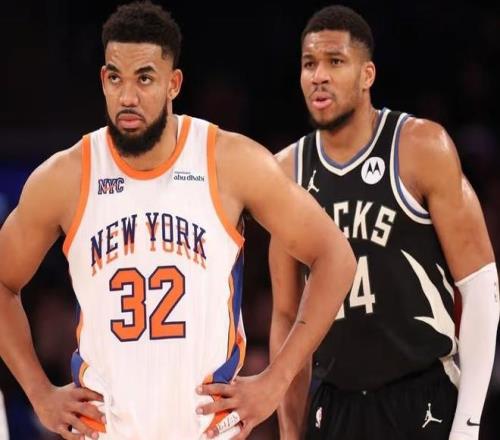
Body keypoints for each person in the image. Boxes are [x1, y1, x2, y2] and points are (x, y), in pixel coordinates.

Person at [0, 2, 356, 440]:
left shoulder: (228, 160)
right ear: (103, 80)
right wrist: (39, 392)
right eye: (116, 78)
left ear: (173, 83)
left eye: (144, 78)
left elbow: (335, 257)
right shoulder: (66, 176)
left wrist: (275, 381)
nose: (128, 97)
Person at [269, 5, 499, 440]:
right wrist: (290, 432)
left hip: (422, 396)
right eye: (309, 64)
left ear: (366, 74)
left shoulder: (420, 146)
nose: (319, 75)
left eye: (335, 62)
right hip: (336, 404)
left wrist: (468, 425)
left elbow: (480, 286)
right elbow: (285, 315)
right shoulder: (285, 173)